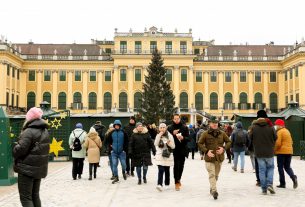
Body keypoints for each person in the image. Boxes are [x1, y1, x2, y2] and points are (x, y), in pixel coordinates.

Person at [13, 107, 50, 207]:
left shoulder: (28, 131)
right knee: (35, 196)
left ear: (29, 118)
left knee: (26, 198)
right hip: (39, 168)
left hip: (26, 168)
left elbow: (21, 149)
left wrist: (15, 147)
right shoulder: (45, 130)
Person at [198, 116, 231, 200]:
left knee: (216, 175)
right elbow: (200, 143)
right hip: (209, 158)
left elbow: (229, 142)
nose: (215, 124)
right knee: (211, 174)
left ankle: (212, 186)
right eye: (213, 123)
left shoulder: (222, 133)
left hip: (219, 158)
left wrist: (223, 148)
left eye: (216, 123)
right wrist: (206, 151)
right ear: (209, 124)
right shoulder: (205, 133)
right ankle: (214, 190)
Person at [249, 110, 277, 195]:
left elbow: (250, 137)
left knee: (261, 170)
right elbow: (275, 137)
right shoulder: (271, 126)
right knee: (270, 168)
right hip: (269, 152)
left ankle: (264, 189)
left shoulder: (253, 127)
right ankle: (269, 184)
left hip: (259, 152)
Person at [167, 114, 190, 191]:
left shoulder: (184, 127)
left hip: (183, 149)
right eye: (175, 119)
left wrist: (183, 137)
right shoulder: (170, 128)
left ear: (179, 119)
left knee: (181, 165)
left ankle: (179, 178)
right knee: (176, 165)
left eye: (178, 119)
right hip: (174, 149)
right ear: (173, 119)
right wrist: (172, 134)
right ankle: (176, 182)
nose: (176, 120)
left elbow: (189, 138)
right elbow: (166, 138)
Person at [274, 119, 298, 189]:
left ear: (279, 125)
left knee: (280, 167)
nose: (275, 126)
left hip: (281, 152)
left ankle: (282, 183)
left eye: (276, 124)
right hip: (289, 152)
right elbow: (292, 141)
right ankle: (293, 177)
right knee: (287, 167)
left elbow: (278, 143)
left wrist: (274, 150)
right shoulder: (287, 131)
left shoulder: (279, 132)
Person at [154, 123, 175, 191]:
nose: (162, 129)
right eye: (161, 127)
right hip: (160, 154)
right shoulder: (158, 135)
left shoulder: (169, 135)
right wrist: (159, 136)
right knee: (161, 169)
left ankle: (167, 184)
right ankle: (159, 184)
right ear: (159, 128)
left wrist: (169, 143)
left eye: (164, 127)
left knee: (167, 170)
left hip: (167, 154)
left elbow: (173, 146)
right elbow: (155, 144)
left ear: (166, 128)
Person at [109, 120, 129, 184]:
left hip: (121, 152)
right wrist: (110, 147)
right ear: (114, 126)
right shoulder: (111, 133)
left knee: (123, 164)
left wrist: (124, 149)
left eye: (118, 125)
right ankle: (116, 177)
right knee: (114, 164)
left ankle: (123, 172)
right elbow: (108, 141)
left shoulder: (123, 132)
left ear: (120, 126)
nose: (116, 126)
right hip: (114, 152)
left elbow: (127, 141)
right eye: (115, 125)